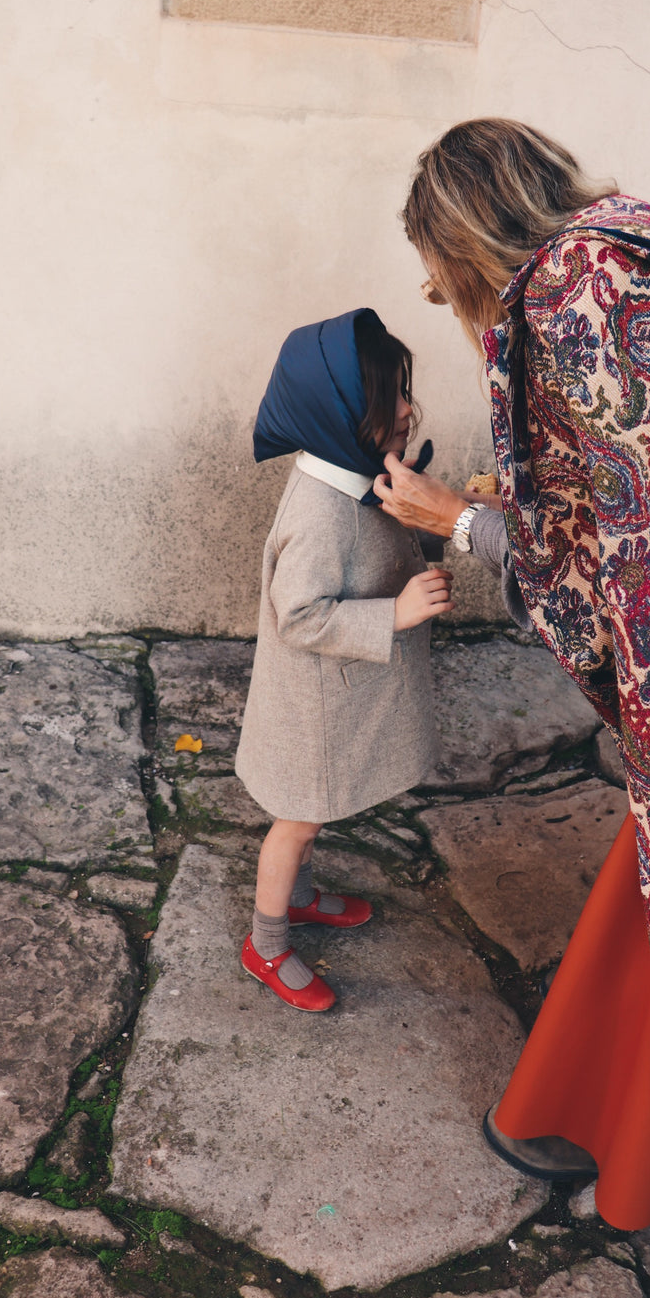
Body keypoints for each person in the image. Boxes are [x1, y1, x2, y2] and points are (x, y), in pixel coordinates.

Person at [373, 118, 650, 1292]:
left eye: (442, 276)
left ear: (473, 242)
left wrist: (461, 528)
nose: (444, 299)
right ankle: (621, 1126)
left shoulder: (581, 285)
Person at [235, 308, 453, 1012]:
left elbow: (385, 541)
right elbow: (298, 612)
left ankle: (298, 899)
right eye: (390, 396)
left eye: (403, 390)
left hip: (335, 696)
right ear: (341, 413)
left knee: (315, 809)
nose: (408, 408)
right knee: (296, 820)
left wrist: (443, 522)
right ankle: (266, 944)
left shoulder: (357, 475)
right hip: (314, 708)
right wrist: (394, 614)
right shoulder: (321, 512)